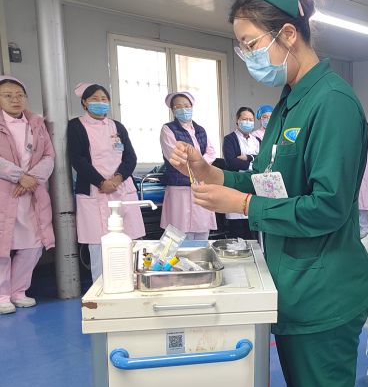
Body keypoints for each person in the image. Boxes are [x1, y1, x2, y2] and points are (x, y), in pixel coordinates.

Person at [167, 0, 368, 387]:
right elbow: (270, 181)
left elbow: (328, 206)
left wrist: (242, 205)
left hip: (324, 290)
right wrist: (212, 171)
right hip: (291, 283)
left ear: (288, 34)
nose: (247, 56)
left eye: (250, 43)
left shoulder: (333, 103)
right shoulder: (289, 101)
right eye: (240, 47)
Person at [68, 83, 145, 282]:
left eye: (104, 99)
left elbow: (130, 158)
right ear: (84, 103)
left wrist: (117, 178)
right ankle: (101, 287)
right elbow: (77, 159)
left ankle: (130, 283)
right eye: (94, 99)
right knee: (98, 243)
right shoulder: (76, 125)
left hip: (122, 187)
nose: (100, 102)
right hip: (94, 190)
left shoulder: (117, 126)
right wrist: (101, 182)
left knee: (130, 239)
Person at [0, 76, 55, 314]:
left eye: (20, 95)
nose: (15, 100)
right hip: (5, 193)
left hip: (31, 193)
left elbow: (49, 156)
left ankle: (18, 291)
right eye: (8, 95)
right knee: (2, 245)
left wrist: (31, 178)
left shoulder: (36, 123)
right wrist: (18, 176)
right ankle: (2, 295)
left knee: (33, 244)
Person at [159, 91, 217, 240]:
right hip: (180, 188)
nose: (183, 109)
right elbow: (175, 156)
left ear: (192, 107)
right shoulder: (168, 129)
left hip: (201, 186)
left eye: (186, 105)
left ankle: (200, 255)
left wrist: (200, 164)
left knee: (202, 232)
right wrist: (199, 165)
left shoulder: (200, 130)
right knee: (179, 235)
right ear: (173, 110)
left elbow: (211, 152)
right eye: (178, 106)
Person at [222, 106, 261, 239]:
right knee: (237, 231)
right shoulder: (229, 139)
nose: (247, 122)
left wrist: (248, 157)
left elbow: (263, 161)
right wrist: (254, 164)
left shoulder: (257, 141)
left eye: (250, 120)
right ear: (237, 121)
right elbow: (231, 162)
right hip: (236, 186)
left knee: (253, 232)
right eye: (244, 119)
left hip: (253, 186)